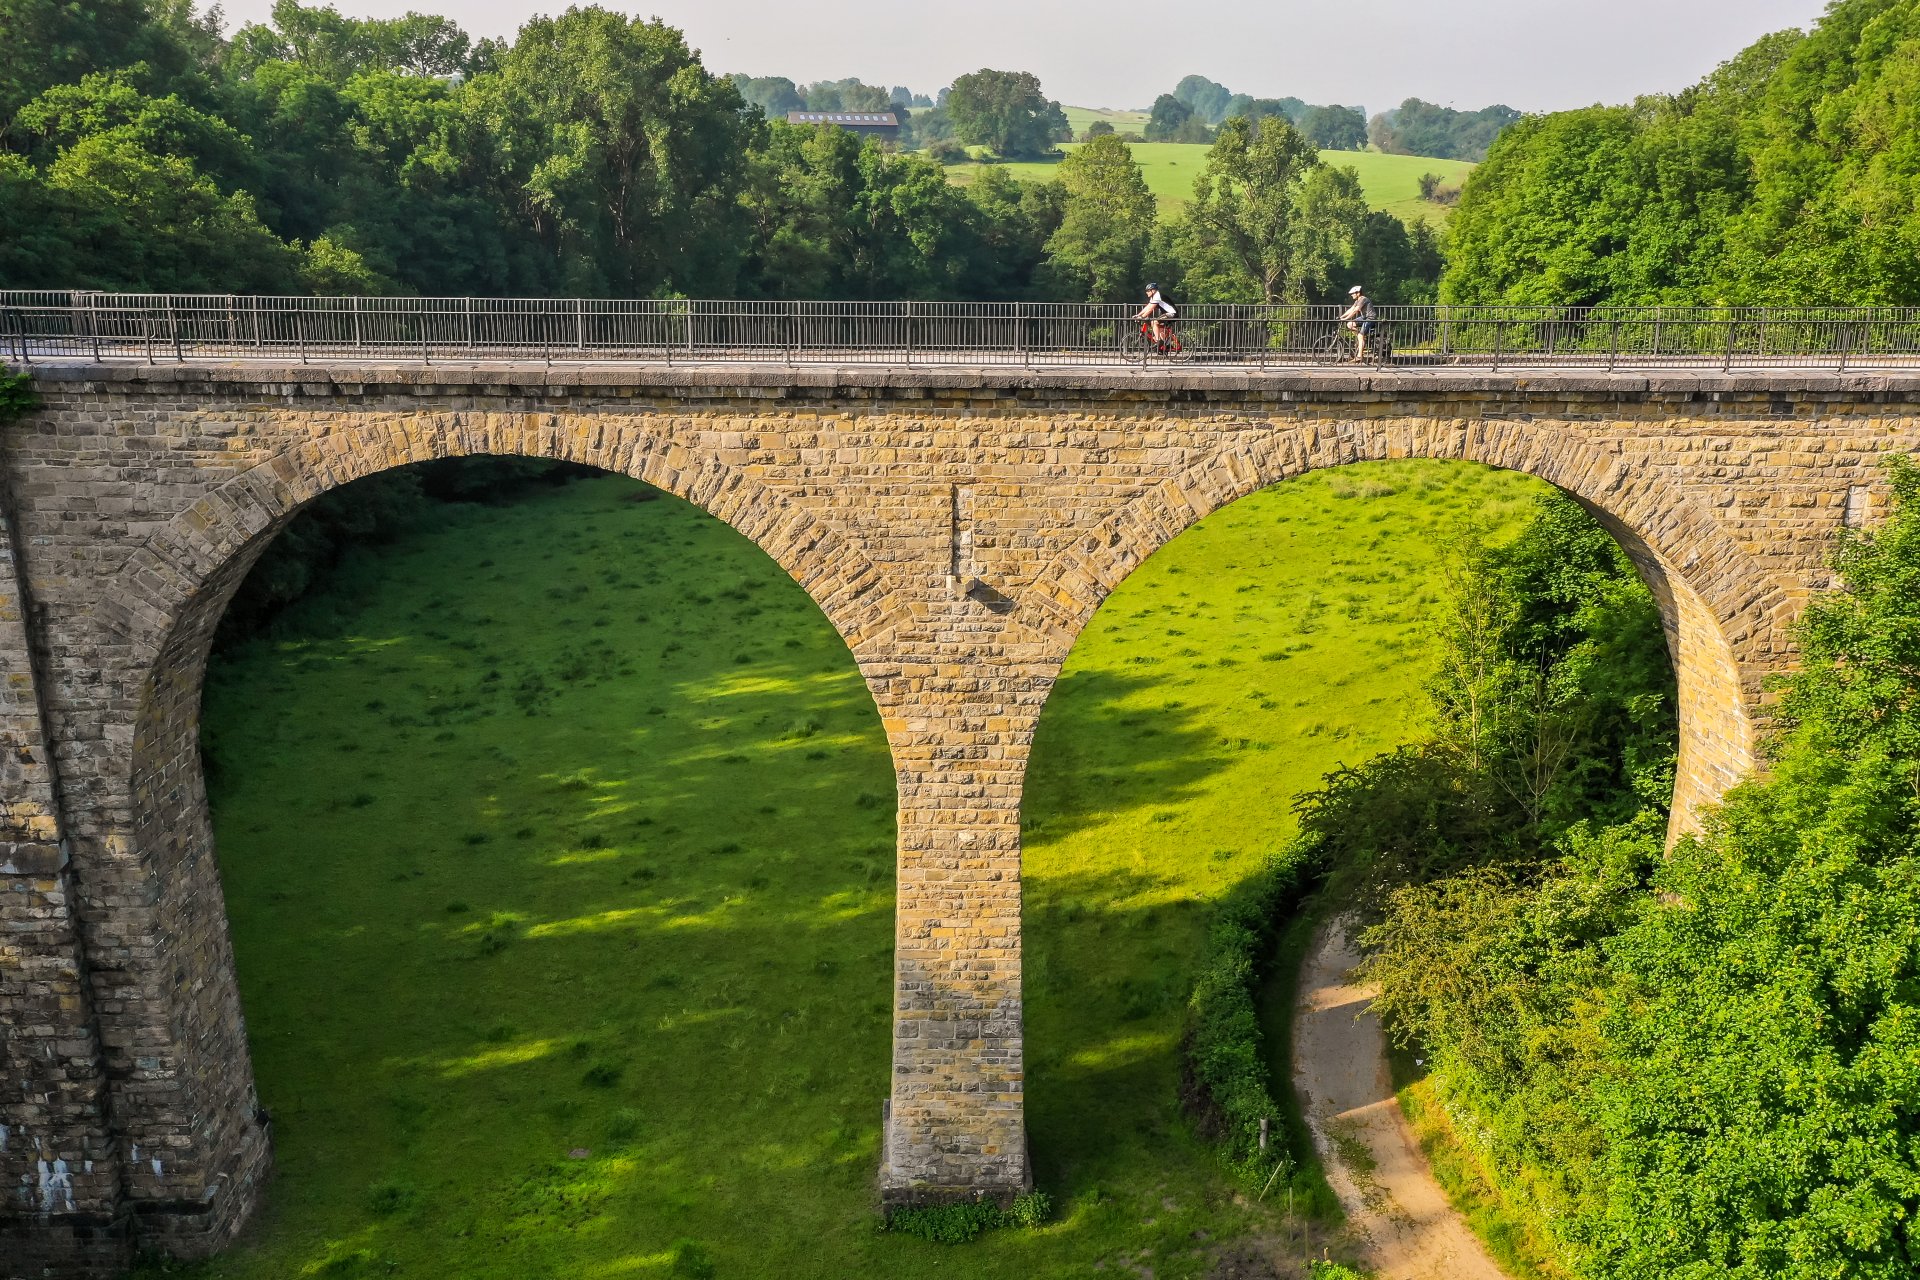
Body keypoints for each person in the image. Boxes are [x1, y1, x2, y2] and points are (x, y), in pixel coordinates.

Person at [1339, 285, 1376, 362]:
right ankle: (1362, 338)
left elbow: (1355, 310)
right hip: (1364, 317)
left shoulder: (1363, 299)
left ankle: (1359, 356)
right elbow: (1351, 309)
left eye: (1353, 293)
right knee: (1350, 324)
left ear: (1358, 293)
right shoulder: (1357, 301)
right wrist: (1341, 317)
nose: (1352, 295)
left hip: (1370, 318)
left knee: (1360, 336)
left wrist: (1345, 318)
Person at [1135, 283, 1177, 348]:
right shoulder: (1154, 297)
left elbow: (1150, 309)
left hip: (1172, 313)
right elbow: (1148, 307)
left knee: (1154, 322)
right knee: (1157, 326)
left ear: (1153, 290)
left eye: (1148, 291)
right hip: (1166, 314)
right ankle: (1163, 346)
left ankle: (1158, 341)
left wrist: (1142, 317)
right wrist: (1138, 315)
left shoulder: (1157, 296)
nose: (1146, 293)